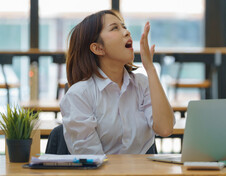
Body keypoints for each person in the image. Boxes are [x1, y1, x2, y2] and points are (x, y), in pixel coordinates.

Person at [60, 9, 175, 154]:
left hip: (144, 174)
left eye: (124, 27)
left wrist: (150, 68)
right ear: (98, 48)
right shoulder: (78, 95)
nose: (127, 32)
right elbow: (92, 160)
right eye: (115, 28)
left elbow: (165, 129)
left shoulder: (142, 84)